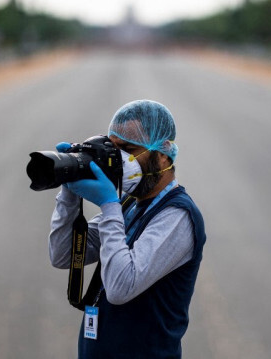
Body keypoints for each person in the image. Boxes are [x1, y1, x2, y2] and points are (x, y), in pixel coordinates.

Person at [48, 99, 206, 358]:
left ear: (163, 152)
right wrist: (69, 190)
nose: (120, 161)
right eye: (114, 148)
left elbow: (121, 288)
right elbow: (63, 254)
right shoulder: (128, 205)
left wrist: (109, 205)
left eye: (129, 149)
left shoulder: (177, 215)